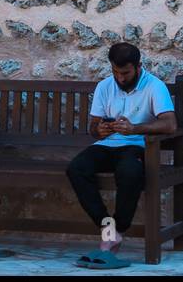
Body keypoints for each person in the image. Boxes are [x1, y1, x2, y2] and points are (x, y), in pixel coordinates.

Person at [66, 42, 177, 269]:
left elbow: (170, 124)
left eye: (125, 73)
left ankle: (115, 231)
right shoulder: (105, 86)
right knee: (76, 168)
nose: (120, 78)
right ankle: (109, 231)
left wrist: (135, 129)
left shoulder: (154, 86)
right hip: (108, 145)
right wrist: (100, 130)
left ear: (138, 67)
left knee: (130, 172)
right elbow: (94, 126)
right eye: (116, 72)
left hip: (136, 145)